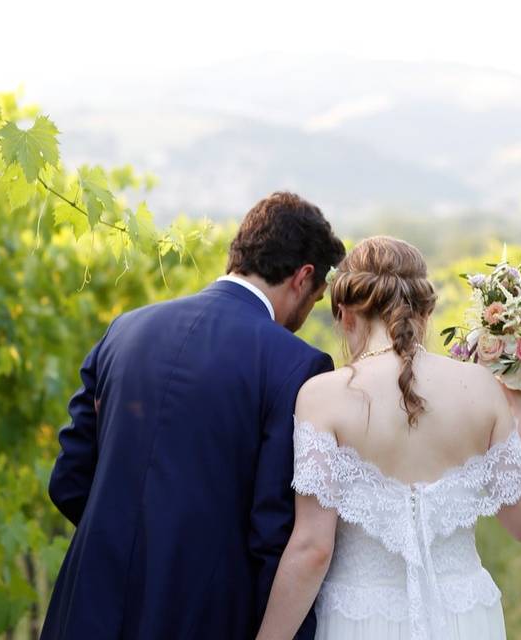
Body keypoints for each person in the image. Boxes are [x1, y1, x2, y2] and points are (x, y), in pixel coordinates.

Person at [41, 192, 345, 640]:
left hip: (90, 605)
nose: (305, 315)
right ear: (303, 278)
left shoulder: (124, 330)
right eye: (316, 299)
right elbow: (272, 531)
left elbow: (68, 479)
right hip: (205, 616)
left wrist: (127, 541)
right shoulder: (295, 367)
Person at [256, 235, 521, 640]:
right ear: (426, 310)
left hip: (361, 621)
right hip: (466, 620)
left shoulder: (322, 396)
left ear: (344, 314)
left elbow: (313, 549)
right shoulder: (482, 387)